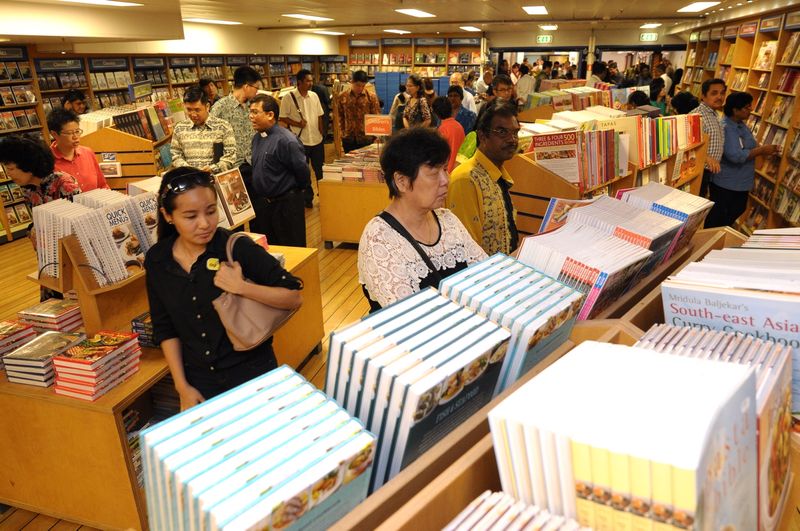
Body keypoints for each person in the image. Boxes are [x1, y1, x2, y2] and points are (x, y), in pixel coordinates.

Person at [144, 166, 303, 409]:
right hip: (199, 384)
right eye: (190, 216)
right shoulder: (158, 260)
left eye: (210, 211)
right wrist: (182, 387)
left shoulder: (235, 248)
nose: (204, 223)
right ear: (168, 215)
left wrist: (241, 287)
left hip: (254, 377)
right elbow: (165, 328)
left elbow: (294, 297)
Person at [357, 128, 486, 311]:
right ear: (401, 181)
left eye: (445, 169)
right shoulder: (379, 238)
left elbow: (483, 275)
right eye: (434, 173)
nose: (445, 180)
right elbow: (409, 316)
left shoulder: (448, 221)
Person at [448, 99, 520, 255]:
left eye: (515, 132)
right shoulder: (466, 180)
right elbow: (467, 251)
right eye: (502, 132)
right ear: (482, 136)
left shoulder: (498, 175)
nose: (512, 139)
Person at [705, 92, 780, 228]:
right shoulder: (726, 127)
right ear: (735, 110)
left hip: (739, 182)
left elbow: (749, 145)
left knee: (735, 210)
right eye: (746, 107)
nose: (750, 110)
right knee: (719, 217)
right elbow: (735, 155)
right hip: (727, 182)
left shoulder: (741, 124)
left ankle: (718, 238)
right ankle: (711, 242)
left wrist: (767, 150)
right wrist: (762, 151)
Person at [249, 94, 310, 247]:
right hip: (264, 206)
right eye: (250, 112)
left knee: (292, 248)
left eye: (255, 112)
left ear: (270, 115)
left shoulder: (286, 140)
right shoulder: (257, 138)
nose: (251, 116)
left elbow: (302, 172)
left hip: (286, 206)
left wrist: (294, 192)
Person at [279, 69, 325, 209]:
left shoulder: (314, 96)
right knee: (303, 171)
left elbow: (319, 115)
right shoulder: (288, 97)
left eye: (311, 80)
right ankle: (307, 198)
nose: (310, 83)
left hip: (316, 139)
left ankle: (323, 196)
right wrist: (297, 124)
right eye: (307, 81)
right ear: (299, 82)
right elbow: (282, 117)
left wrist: (321, 134)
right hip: (300, 141)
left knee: (320, 170)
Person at [170, 86, 237, 174]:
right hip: (190, 181)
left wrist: (213, 168)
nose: (193, 114)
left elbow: (231, 156)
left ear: (207, 106)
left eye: (197, 110)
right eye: (189, 110)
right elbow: (176, 155)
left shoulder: (223, 126)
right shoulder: (179, 128)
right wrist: (188, 169)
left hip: (214, 181)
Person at [47, 108, 109, 192]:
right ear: (54, 134)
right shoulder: (47, 161)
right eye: (69, 133)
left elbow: (102, 185)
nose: (75, 137)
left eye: (77, 131)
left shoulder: (88, 152)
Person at [691, 78, 726, 197]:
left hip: (708, 173)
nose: (719, 97)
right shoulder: (697, 115)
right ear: (703, 96)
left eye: (722, 93)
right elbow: (688, 146)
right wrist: (706, 157)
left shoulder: (714, 114)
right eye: (714, 93)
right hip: (698, 171)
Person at [337, 70, 381, 153]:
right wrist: (342, 132)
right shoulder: (343, 96)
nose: (360, 88)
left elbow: (376, 116)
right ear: (352, 82)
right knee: (349, 163)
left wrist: (376, 136)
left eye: (363, 86)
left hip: (366, 138)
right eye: (357, 85)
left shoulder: (371, 97)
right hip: (348, 137)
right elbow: (340, 115)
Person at [432, 96, 464, 173]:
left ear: (436, 113)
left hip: (447, 171)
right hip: (459, 168)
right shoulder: (459, 126)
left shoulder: (442, 130)